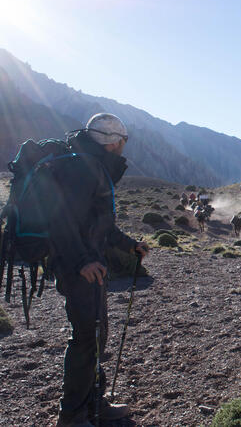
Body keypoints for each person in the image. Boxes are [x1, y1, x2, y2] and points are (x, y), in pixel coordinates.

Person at [52, 113, 149, 427]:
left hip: (90, 266)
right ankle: (72, 416)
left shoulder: (93, 167)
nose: (123, 146)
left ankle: (94, 401)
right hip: (81, 269)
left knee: (96, 335)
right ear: (113, 141)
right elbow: (61, 220)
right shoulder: (83, 169)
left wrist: (130, 245)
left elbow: (100, 226)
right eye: (122, 140)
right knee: (85, 339)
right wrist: (82, 261)